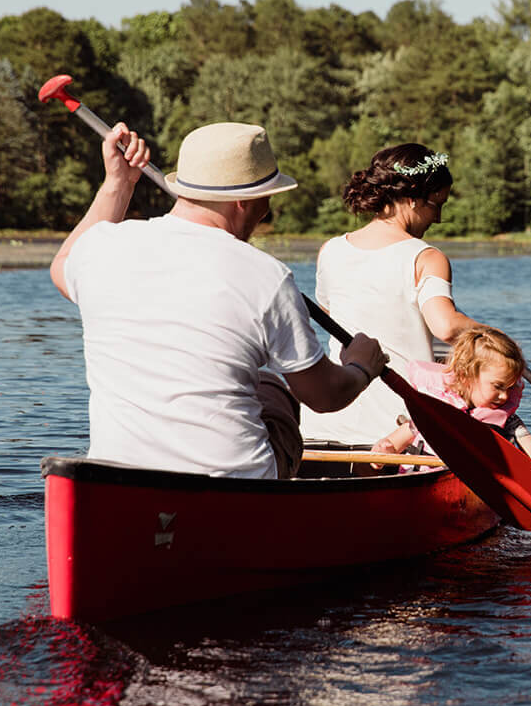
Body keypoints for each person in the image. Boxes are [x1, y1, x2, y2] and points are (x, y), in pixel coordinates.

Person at [50, 119, 387, 480]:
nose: (266, 212)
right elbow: (324, 397)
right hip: (235, 483)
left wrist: (117, 183)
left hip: (119, 480)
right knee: (271, 384)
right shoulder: (267, 276)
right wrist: (360, 368)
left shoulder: (101, 247)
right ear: (244, 201)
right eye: (267, 201)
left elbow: (62, 266)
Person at [299, 143, 486, 446]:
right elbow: (447, 327)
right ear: (412, 198)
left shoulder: (330, 250)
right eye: (436, 204)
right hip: (395, 430)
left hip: (325, 423)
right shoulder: (425, 256)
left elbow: (332, 315)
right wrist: (497, 338)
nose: (437, 218)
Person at [371, 325, 531, 492]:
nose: (505, 396)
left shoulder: (508, 421)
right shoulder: (433, 409)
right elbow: (393, 443)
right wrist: (383, 451)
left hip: (467, 492)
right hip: (416, 488)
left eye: (510, 388)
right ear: (466, 376)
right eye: (498, 386)